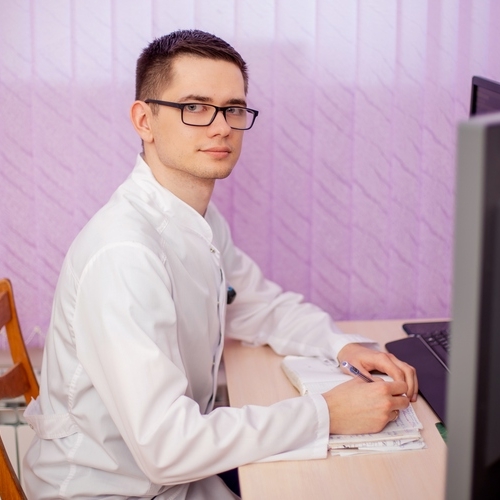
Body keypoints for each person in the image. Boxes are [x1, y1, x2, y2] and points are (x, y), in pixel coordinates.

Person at [23, 29, 417, 499]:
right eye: (194, 107)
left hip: (175, 478)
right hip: (110, 491)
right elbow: (168, 447)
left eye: (233, 108)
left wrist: (342, 345)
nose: (221, 127)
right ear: (144, 120)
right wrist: (328, 413)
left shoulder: (198, 220)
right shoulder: (124, 255)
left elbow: (259, 306)